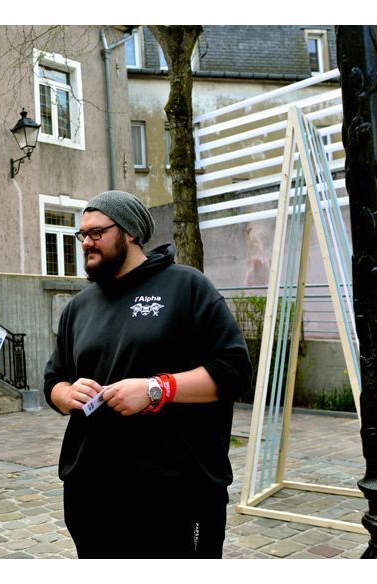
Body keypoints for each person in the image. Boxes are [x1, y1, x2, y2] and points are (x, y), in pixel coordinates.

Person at [43, 190, 252, 559]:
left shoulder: (186, 287)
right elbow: (53, 380)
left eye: (96, 233)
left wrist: (157, 389)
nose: (86, 243)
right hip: (92, 492)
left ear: (130, 232)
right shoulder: (78, 307)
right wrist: (66, 394)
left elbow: (234, 371)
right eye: (82, 235)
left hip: (175, 493)